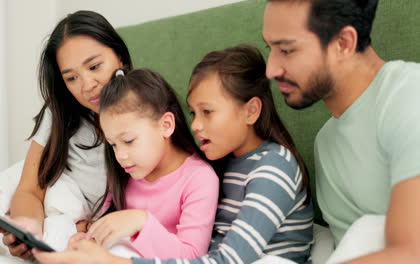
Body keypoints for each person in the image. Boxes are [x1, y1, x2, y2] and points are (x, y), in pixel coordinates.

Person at [34, 44, 314, 264]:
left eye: (208, 112)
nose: (195, 125)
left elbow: (229, 260)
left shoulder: (274, 167)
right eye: (193, 112)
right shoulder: (227, 163)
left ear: (251, 111)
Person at [261, 0, 420, 263]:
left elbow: (411, 252)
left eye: (286, 50)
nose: (271, 69)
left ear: (344, 43)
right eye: (271, 48)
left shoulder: (409, 96)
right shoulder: (325, 143)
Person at [0, 10, 133, 260]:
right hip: (56, 189)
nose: (87, 84)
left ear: (120, 57)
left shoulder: (145, 108)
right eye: (72, 77)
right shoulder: (61, 113)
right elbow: (30, 189)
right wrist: (29, 228)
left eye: (94, 66)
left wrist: (89, 227)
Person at [82, 67, 219, 258]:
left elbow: (192, 256)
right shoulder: (124, 173)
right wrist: (84, 239)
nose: (120, 155)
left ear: (166, 125)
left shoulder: (199, 179)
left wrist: (141, 221)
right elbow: (101, 228)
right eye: (113, 145)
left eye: (129, 141)